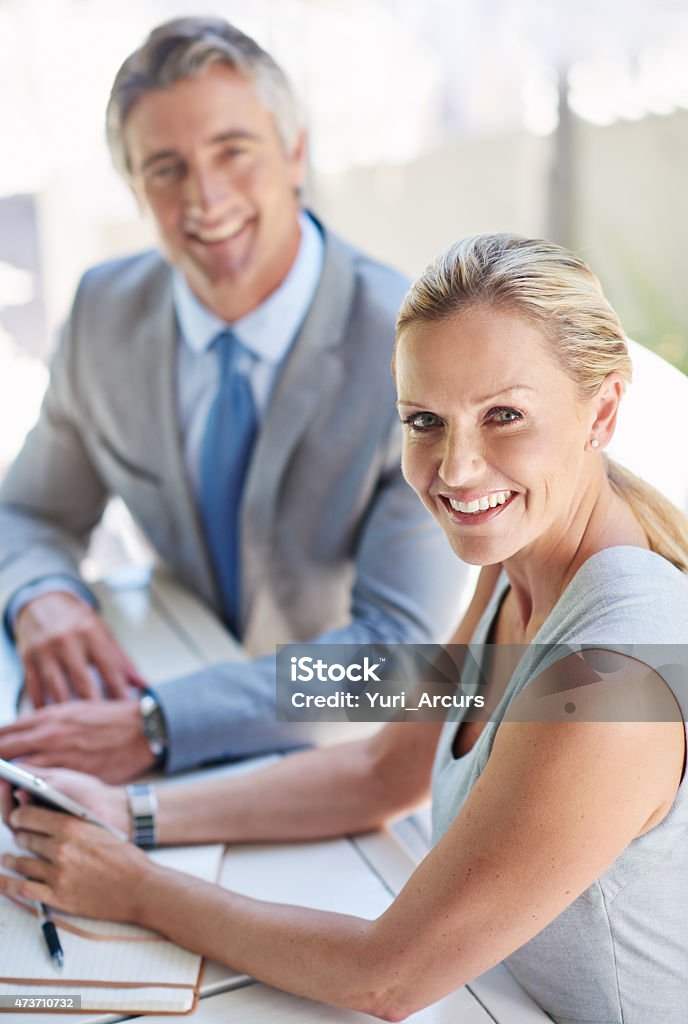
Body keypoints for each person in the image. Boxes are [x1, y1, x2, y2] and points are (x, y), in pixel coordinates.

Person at [2, 234, 687, 1022]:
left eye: (504, 415)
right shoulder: (520, 554)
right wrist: (132, 816)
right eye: (424, 420)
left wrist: (134, 887)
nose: (457, 469)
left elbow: (388, 977)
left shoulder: (612, 672)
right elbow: (385, 770)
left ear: (600, 411)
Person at [0, 17, 465, 782]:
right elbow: (30, 513)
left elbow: (396, 657)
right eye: (165, 168)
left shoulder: (411, 348)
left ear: (294, 153)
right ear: (135, 188)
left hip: (344, 759)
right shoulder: (102, 315)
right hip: (151, 688)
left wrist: (161, 724)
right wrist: (41, 594)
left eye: (232, 152)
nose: (204, 198)